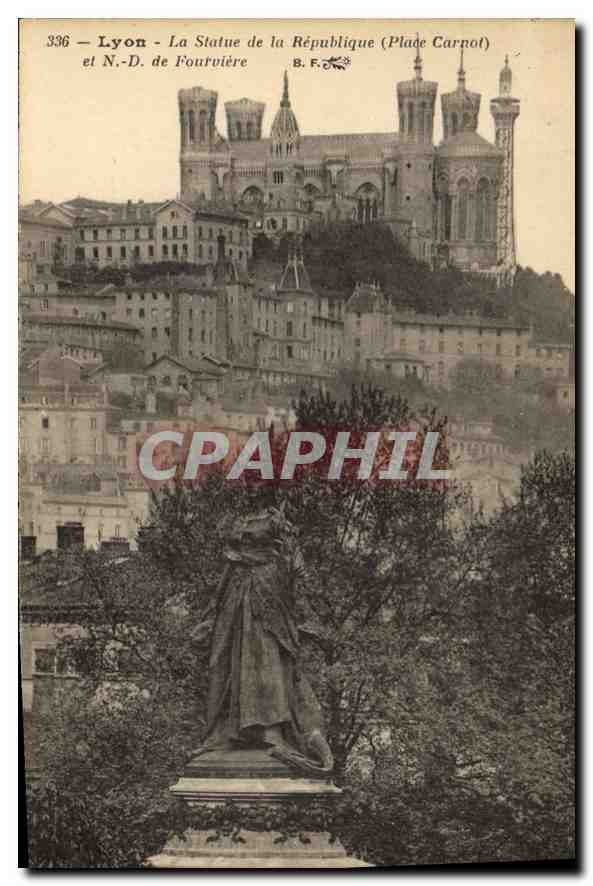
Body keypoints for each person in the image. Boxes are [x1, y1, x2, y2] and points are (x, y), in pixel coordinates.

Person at [193, 502, 333, 775]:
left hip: (269, 611)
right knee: (232, 669)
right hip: (238, 613)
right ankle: (230, 734)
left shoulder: (277, 555)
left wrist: (308, 621)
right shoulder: (238, 562)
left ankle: (271, 732)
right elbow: (219, 593)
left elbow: (300, 578)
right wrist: (209, 620)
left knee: (269, 666)